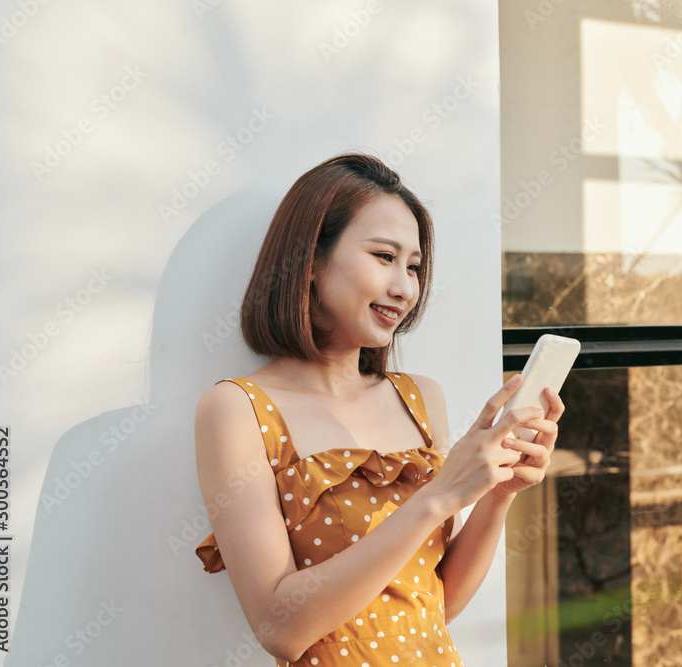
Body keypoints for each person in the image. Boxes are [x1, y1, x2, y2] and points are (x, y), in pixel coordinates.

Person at [193, 152, 565, 666]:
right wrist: (438, 495)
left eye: (413, 267)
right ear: (311, 260)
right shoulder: (237, 409)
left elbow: (438, 604)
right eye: (384, 257)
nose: (405, 288)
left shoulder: (420, 399)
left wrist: (496, 493)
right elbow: (280, 628)